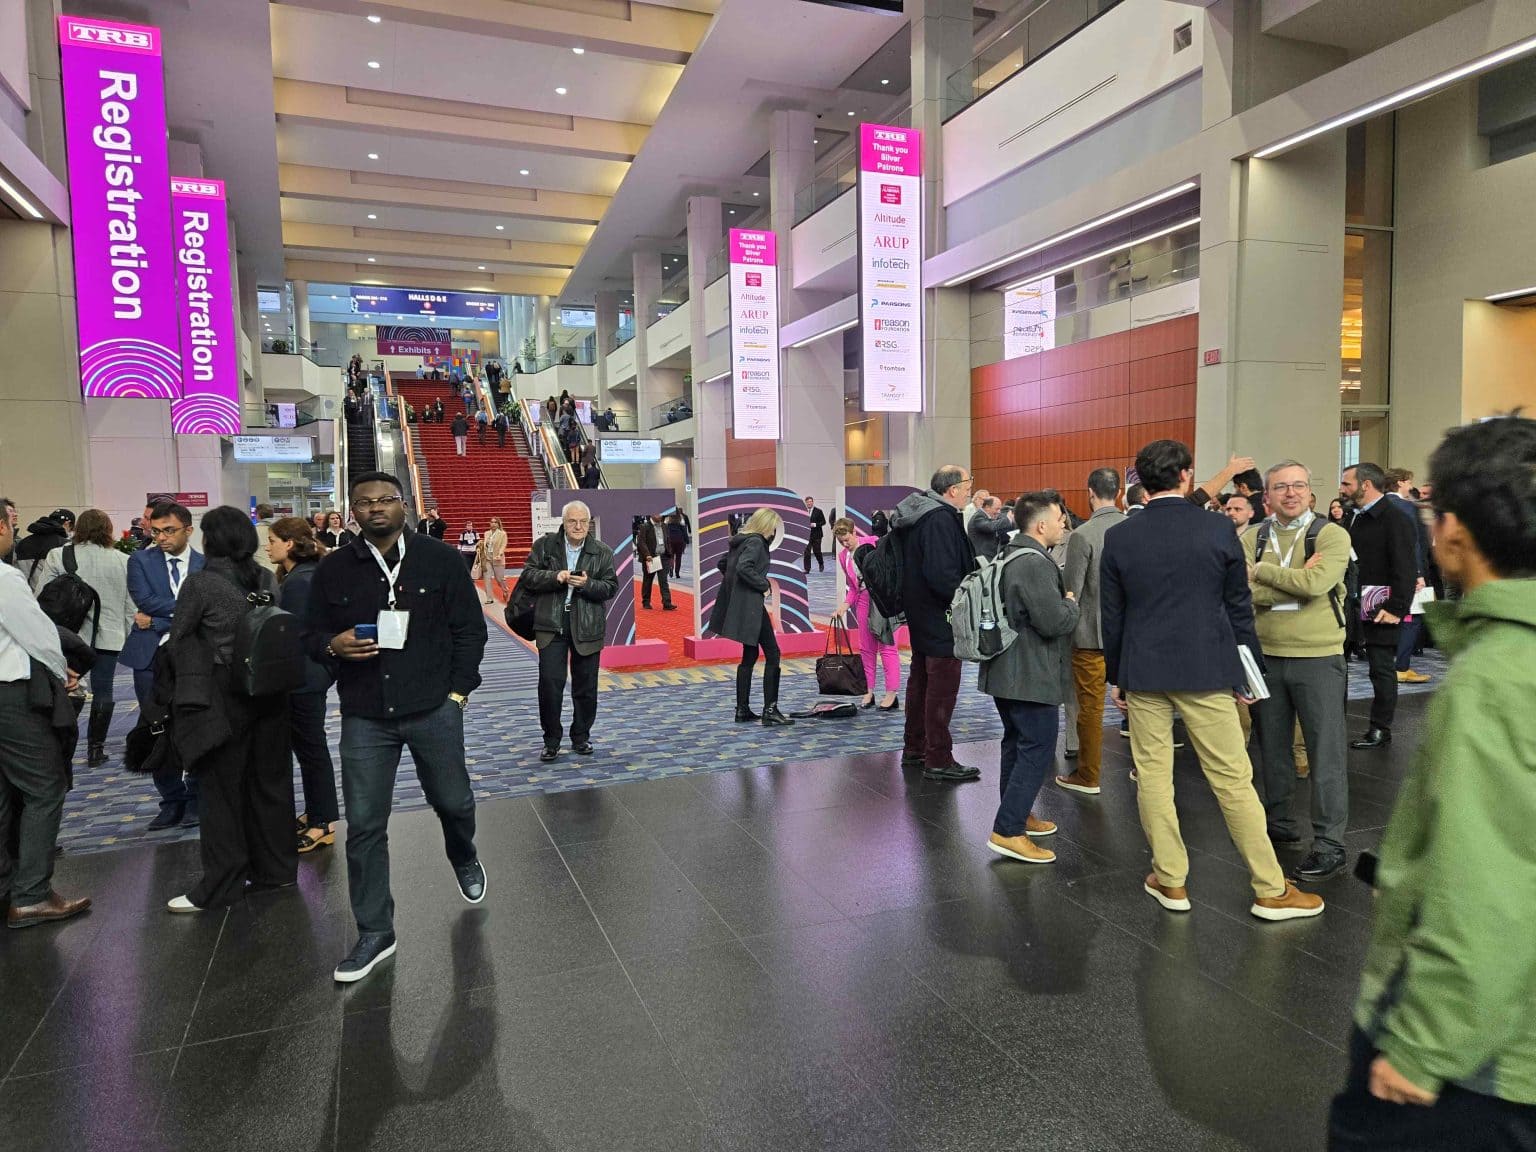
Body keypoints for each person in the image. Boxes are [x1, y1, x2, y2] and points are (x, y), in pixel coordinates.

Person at [1328, 415, 1536, 1151]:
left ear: (1455, 534)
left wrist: (1421, 1047)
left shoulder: (1494, 678)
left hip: (1483, 1057)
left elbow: (1490, 881)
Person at [1100, 439, 1324, 922]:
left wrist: (1118, 676)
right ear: (1186, 475)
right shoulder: (1218, 528)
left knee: (1153, 777)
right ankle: (1270, 889)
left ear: (1140, 482)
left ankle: (1170, 879)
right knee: (1232, 780)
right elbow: (1238, 607)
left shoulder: (1120, 536)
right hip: (1207, 670)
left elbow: (1112, 616)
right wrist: (1250, 672)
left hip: (1144, 672)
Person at [303, 471, 489, 984]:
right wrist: (330, 645)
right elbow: (309, 633)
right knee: (364, 825)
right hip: (365, 714)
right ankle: (375, 931)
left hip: (433, 708)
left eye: (386, 499)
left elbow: (470, 631)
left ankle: (463, 853)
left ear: (404, 504)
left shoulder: (440, 559)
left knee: (454, 801)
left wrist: (458, 694)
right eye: (364, 502)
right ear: (353, 511)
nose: (376, 508)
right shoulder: (334, 568)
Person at [160, 507, 297, 913]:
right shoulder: (266, 578)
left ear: (211, 540)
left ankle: (221, 885)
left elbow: (178, 638)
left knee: (220, 792)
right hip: (270, 692)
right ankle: (276, 870)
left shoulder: (201, 583)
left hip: (222, 696)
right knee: (270, 784)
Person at [1241, 461, 1352, 882]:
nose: (1291, 493)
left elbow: (1316, 584)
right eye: (1282, 487)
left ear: (1310, 492)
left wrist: (1262, 573)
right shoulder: (1253, 536)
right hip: (1266, 656)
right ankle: (1280, 825)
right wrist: (1295, 583)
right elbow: (1239, 591)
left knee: (1325, 753)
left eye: (1299, 485)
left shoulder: (1331, 534)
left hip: (1319, 656)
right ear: (1267, 496)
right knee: (1272, 749)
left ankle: (1329, 844)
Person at [0, 503, 91, 929]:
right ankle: (32, 895)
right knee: (45, 787)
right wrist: (63, 672)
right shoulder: (4, 578)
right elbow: (38, 636)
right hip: (11, 695)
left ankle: (7, 887)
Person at [980, 491, 1079, 864]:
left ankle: (1017, 814)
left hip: (1006, 669)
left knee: (1016, 744)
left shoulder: (1009, 552)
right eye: (1058, 518)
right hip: (1029, 673)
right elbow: (1052, 622)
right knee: (1037, 747)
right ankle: (1008, 830)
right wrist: (1070, 604)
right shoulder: (1034, 563)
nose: (1063, 523)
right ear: (1040, 525)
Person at [121, 501, 204, 830]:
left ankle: (196, 797)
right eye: (156, 532)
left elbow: (206, 609)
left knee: (195, 726)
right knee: (156, 728)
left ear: (188, 530)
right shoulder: (140, 561)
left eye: (169, 531)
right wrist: (187, 610)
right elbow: (144, 600)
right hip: (150, 658)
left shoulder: (205, 565)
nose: (161, 538)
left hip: (194, 656)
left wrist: (156, 620)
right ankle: (171, 799)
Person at [893, 467, 979, 782]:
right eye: (968, 483)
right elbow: (942, 576)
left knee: (920, 683)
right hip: (941, 616)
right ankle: (939, 758)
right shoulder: (940, 519)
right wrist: (966, 599)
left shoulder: (919, 514)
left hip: (920, 613)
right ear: (953, 489)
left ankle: (915, 748)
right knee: (941, 688)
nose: (970, 489)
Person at [30, 510, 134, 768]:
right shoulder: (123, 560)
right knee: (104, 690)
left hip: (69, 637)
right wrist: (129, 636)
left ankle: (60, 744)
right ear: (108, 529)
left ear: (79, 528)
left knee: (66, 689)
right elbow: (130, 605)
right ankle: (96, 750)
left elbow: (42, 596)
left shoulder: (59, 555)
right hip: (109, 636)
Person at [520, 502, 617, 762]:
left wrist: (587, 584)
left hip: (587, 625)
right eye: (573, 521)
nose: (578, 526)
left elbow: (610, 587)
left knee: (586, 686)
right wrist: (557, 577)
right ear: (563, 522)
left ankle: (581, 736)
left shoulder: (602, 551)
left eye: (583, 521)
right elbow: (528, 576)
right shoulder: (545, 546)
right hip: (551, 624)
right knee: (550, 685)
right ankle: (551, 740)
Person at [266, 517, 339, 855]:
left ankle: (322, 823)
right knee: (310, 750)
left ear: (290, 543)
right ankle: (317, 813)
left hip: (303, 679)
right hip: (308, 676)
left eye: (272, 540)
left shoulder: (299, 582)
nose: (268, 546)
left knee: (311, 751)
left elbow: (293, 636)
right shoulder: (303, 575)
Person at [1057, 467, 1125, 795]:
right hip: (1130, 635)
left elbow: (1072, 590)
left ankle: (1088, 775)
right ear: (1120, 492)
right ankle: (1144, 769)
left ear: (1090, 493)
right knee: (1143, 708)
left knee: (1090, 709)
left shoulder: (1082, 535)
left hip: (1090, 635)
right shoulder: (1134, 528)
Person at [1341, 462, 1417, 749]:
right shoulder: (1351, 516)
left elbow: (1405, 567)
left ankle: (1380, 728)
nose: (1342, 488)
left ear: (1365, 484)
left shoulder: (1396, 518)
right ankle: (1335, 722)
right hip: (1348, 602)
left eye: (1347, 483)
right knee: (1338, 666)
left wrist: (1397, 607)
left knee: (1381, 668)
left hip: (1381, 603)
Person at [710, 509, 793, 727]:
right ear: (767, 526)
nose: (773, 533)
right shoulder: (756, 542)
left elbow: (723, 564)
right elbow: (743, 567)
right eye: (773, 528)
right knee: (773, 653)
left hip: (743, 604)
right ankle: (770, 710)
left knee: (750, 654)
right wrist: (763, 585)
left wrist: (736, 586)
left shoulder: (741, 540)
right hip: (752, 604)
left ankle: (742, 709)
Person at [833, 518, 900, 710]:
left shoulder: (874, 543)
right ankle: (868, 691)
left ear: (854, 532)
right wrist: (844, 606)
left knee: (887, 647)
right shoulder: (843, 557)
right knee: (866, 649)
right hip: (863, 600)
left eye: (847, 539)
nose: (845, 544)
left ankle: (891, 693)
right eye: (841, 542)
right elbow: (854, 587)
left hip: (883, 599)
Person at [1385, 467, 1433, 685]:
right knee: (1412, 618)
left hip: (1381, 573)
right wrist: (1418, 573)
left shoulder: (1376, 506)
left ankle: (1387, 667)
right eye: (1409, 482)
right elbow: (1412, 542)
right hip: (1407, 572)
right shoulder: (1406, 507)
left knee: (1385, 618)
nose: (1410, 487)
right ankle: (1401, 667)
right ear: (1401, 482)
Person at [14, 509, 73, 584]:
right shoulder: (64, 545)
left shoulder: (22, 543)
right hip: (53, 590)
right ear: (67, 524)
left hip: (25, 590)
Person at [636, 514, 674, 610]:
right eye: (657, 514)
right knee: (648, 580)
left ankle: (667, 603)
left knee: (663, 581)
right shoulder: (645, 526)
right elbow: (641, 542)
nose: (659, 516)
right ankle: (646, 602)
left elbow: (668, 540)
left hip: (664, 557)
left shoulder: (664, 526)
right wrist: (647, 554)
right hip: (651, 558)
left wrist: (670, 554)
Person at [966, 495, 1013, 560]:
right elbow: (990, 527)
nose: (999, 512)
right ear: (987, 507)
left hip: (990, 556)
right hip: (982, 558)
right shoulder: (978, 517)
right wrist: (1008, 519)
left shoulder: (988, 516)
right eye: (997, 509)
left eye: (1000, 509)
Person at [479, 518, 509, 605]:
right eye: (492, 522)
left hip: (497, 559)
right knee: (487, 578)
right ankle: (489, 598)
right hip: (487, 559)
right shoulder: (486, 533)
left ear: (498, 524)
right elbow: (486, 544)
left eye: (495, 522)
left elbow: (503, 545)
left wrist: (500, 554)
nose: (493, 524)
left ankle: (505, 590)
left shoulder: (502, 534)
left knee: (499, 579)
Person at [802, 496, 827, 573]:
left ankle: (821, 563)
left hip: (817, 535)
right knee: (807, 553)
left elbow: (823, 522)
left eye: (810, 501)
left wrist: (815, 524)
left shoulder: (818, 511)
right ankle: (807, 569)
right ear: (806, 503)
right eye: (808, 502)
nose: (809, 503)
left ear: (813, 502)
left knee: (817, 551)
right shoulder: (803, 511)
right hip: (807, 535)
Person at [252, 504, 278, 573]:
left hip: (261, 571)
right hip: (279, 570)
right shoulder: (282, 529)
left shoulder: (252, 531)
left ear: (258, 515)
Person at [664, 513, 688, 581]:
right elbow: (684, 532)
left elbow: (664, 532)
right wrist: (686, 540)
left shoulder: (667, 522)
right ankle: (677, 573)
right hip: (679, 541)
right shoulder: (681, 521)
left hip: (670, 541)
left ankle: (671, 568)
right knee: (678, 557)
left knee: (671, 556)